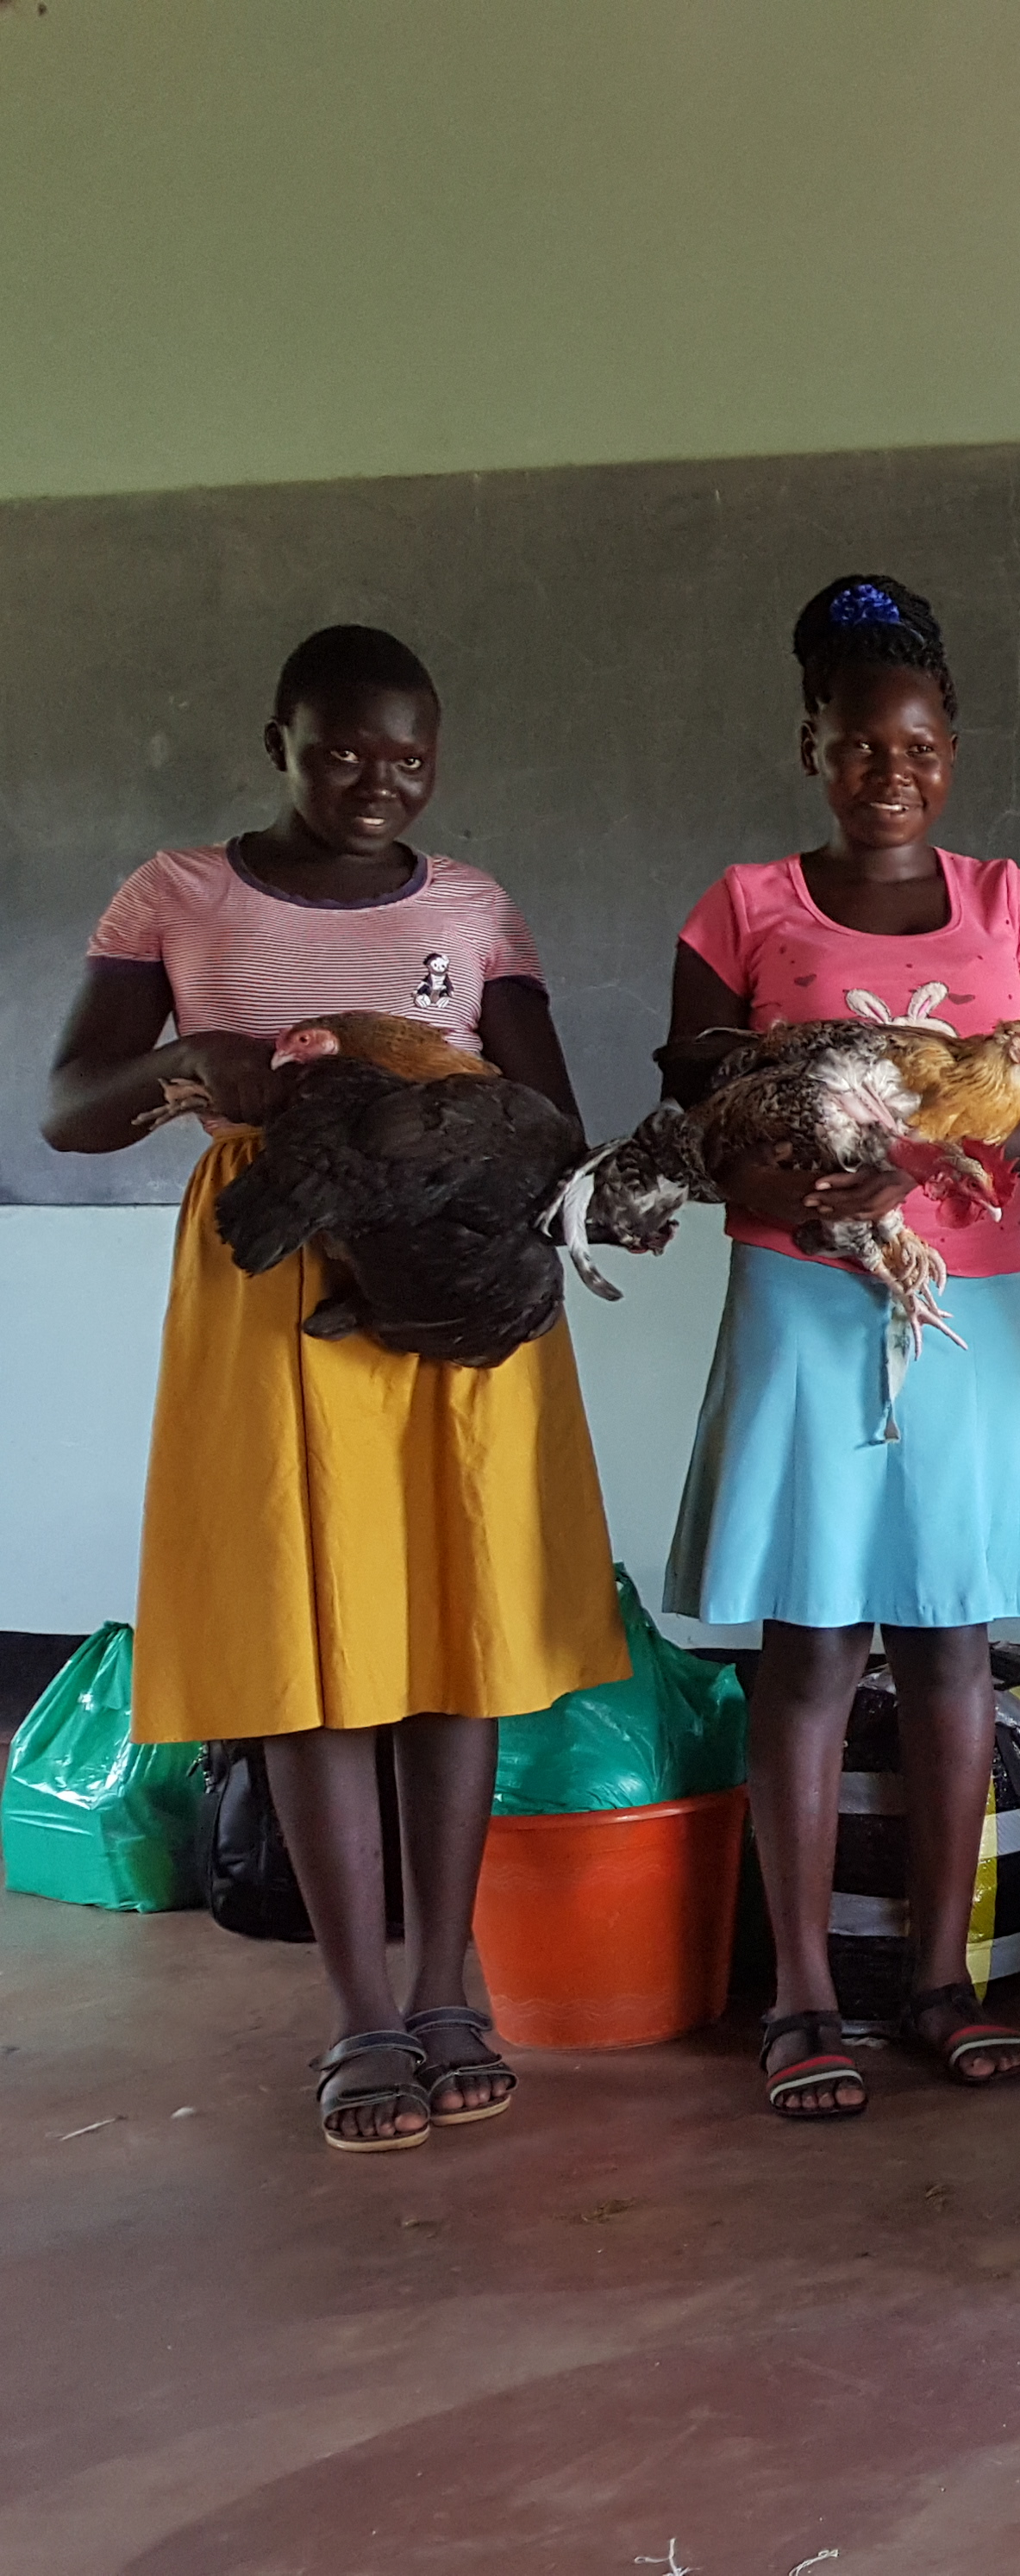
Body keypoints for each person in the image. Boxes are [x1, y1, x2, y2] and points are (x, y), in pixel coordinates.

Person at [41, 625, 627, 2153]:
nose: (379, 779)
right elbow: (67, 1109)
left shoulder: (475, 907)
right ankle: (359, 2008)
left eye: (409, 754)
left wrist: (440, 1137)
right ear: (281, 740)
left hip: (447, 1286)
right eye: (344, 749)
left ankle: (448, 1984)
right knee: (310, 1637)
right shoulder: (178, 894)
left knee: (453, 1627)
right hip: (275, 1281)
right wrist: (204, 1060)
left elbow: (554, 1115)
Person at [664, 573, 1020, 2118]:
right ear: (812, 748)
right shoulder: (742, 910)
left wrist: (926, 1163)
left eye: (914, 745)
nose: (887, 770)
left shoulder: (1011, 907)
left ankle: (935, 1979)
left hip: (962, 1298)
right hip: (802, 1294)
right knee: (812, 1643)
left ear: (950, 752)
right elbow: (699, 1119)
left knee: (950, 1636)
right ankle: (798, 1995)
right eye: (856, 744)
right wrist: (804, 1181)